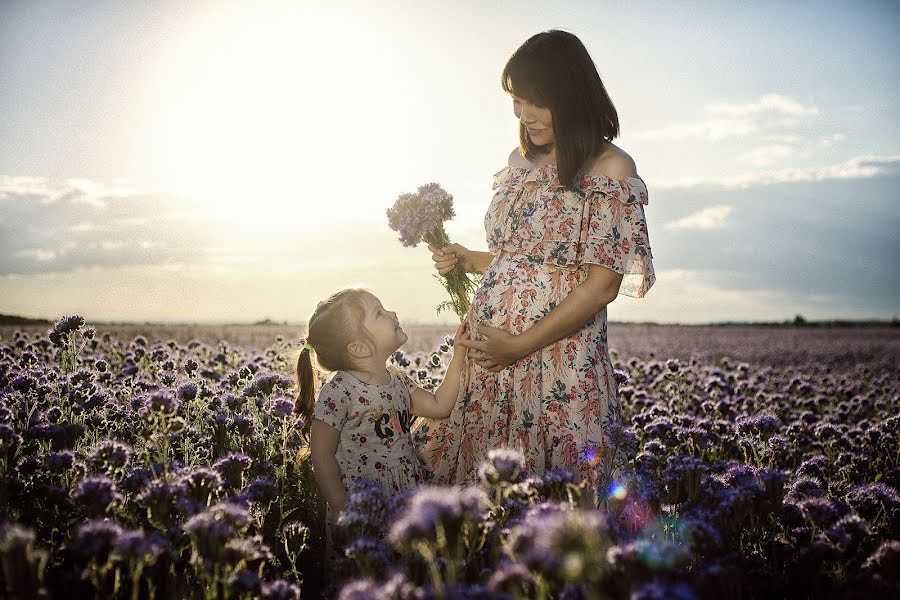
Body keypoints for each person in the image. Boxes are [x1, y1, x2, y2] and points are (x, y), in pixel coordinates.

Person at [411, 30, 655, 495]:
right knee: (479, 489)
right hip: (488, 351)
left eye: (535, 102)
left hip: (556, 358)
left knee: (555, 493)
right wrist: (471, 259)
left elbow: (601, 285)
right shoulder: (520, 161)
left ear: (569, 94)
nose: (524, 116)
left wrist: (518, 345)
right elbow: (525, 260)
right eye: (517, 103)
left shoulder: (611, 169)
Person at [295, 287, 469, 561]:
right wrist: (342, 509)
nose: (393, 313)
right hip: (362, 504)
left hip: (405, 492)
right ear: (359, 348)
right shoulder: (340, 390)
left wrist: (459, 355)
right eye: (380, 312)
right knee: (367, 570)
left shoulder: (397, 379)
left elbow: (439, 405)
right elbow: (322, 453)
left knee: (407, 568)